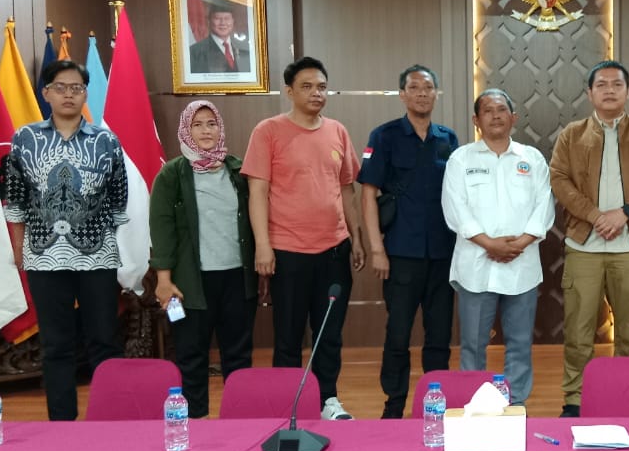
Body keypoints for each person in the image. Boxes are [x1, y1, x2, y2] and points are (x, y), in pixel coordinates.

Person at [3, 59, 128, 421]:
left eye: (76, 88)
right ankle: (62, 425)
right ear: (46, 93)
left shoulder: (106, 140)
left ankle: (109, 421)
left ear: (86, 94)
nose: (68, 95)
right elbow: (16, 202)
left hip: (97, 256)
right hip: (43, 258)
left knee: (104, 341)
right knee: (56, 344)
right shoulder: (25, 138)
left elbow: (119, 200)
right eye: (60, 87)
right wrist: (20, 251)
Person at [242, 57, 365, 420]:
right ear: (289, 91)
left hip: (334, 250)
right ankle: (290, 403)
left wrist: (356, 237)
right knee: (288, 336)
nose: (316, 93)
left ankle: (327, 399)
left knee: (329, 334)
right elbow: (257, 192)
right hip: (288, 251)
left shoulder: (337, 131)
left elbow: (347, 190)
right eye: (307, 87)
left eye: (322, 87)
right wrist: (263, 246)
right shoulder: (268, 131)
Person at [550, 60, 629, 418]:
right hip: (583, 245)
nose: (609, 90)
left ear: (627, 91)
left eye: (617, 84)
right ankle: (576, 400)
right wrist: (595, 215)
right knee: (578, 330)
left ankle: (625, 396)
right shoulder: (572, 134)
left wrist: (627, 212)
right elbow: (559, 179)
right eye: (601, 84)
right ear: (589, 93)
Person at [441, 89, 554, 405]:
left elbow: (544, 205)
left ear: (513, 117)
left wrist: (521, 242)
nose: (495, 115)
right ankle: (473, 404)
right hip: (476, 268)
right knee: (473, 345)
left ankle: (515, 404)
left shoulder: (532, 158)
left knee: (519, 344)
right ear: (476, 120)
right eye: (487, 110)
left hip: (521, 265)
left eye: (501, 109)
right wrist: (489, 243)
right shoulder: (460, 159)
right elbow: (455, 208)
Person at [359, 65, 460, 418]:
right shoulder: (384, 136)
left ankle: (435, 404)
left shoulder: (448, 138)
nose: (422, 93)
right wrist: (376, 249)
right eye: (414, 87)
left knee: (439, 336)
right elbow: (368, 195)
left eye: (428, 88)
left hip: (443, 253)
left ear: (436, 94)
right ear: (402, 94)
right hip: (401, 253)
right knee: (398, 334)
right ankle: (394, 404)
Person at [149, 100, 256, 419]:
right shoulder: (172, 174)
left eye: (211, 123)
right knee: (191, 356)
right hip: (189, 284)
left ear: (220, 128)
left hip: (236, 278)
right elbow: (162, 228)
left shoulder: (238, 170)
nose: (206, 130)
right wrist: (163, 279)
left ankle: (239, 422)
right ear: (186, 130)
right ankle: (196, 423)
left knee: (238, 357)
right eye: (197, 125)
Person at [189, 1, 250, 74]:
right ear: (209, 21)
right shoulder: (195, 51)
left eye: (227, 18)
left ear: (233, 21)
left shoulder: (245, 48)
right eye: (217, 18)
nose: (223, 23)